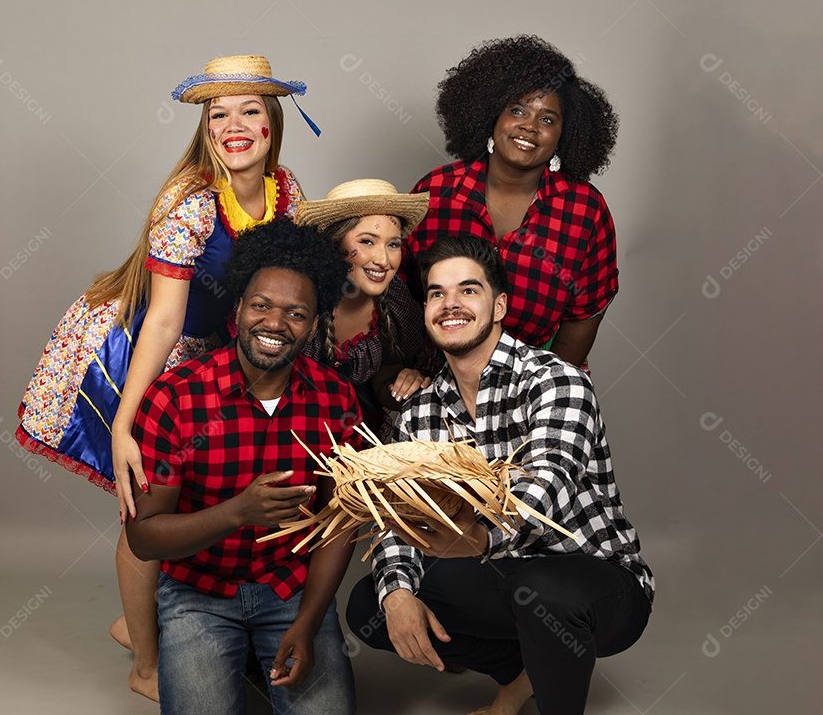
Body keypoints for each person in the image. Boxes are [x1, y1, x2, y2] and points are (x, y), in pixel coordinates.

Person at [15, 55, 310, 701]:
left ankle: (138, 621)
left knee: (200, 505)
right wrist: (127, 420)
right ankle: (146, 664)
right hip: (146, 352)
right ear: (205, 130)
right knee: (146, 510)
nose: (234, 126)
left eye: (249, 111)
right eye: (218, 115)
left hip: (219, 354)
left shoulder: (287, 192)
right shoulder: (191, 203)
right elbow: (166, 321)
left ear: (273, 122)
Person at [347, 235, 653, 715]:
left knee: (544, 590)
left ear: (500, 306)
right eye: (436, 294)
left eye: (468, 291)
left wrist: (483, 537)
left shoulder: (555, 380)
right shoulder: (420, 414)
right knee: (372, 604)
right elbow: (398, 518)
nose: (451, 305)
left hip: (597, 582)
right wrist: (399, 591)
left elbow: (545, 483)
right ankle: (520, 670)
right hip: (499, 577)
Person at [126, 219, 359, 715]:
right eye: (261, 305)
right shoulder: (176, 398)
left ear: (314, 325)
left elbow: (341, 525)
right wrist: (237, 512)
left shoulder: (335, 399)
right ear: (237, 311)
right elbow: (144, 537)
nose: (275, 324)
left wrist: (309, 621)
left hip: (292, 589)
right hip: (198, 593)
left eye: (296, 313)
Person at [405, 35, 621, 369]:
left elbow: (585, 313)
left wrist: (547, 390)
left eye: (547, 119)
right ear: (491, 116)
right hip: (435, 384)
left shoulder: (584, 210)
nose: (530, 127)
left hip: (533, 387)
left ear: (566, 133)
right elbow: (402, 294)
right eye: (517, 110)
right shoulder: (436, 192)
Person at [294, 179, 431, 432]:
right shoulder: (297, 297)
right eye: (367, 241)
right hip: (290, 436)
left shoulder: (396, 303)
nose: (383, 260)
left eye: (393, 244)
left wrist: (405, 387)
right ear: (334, 243)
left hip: (358, 441)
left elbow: (382, 385)